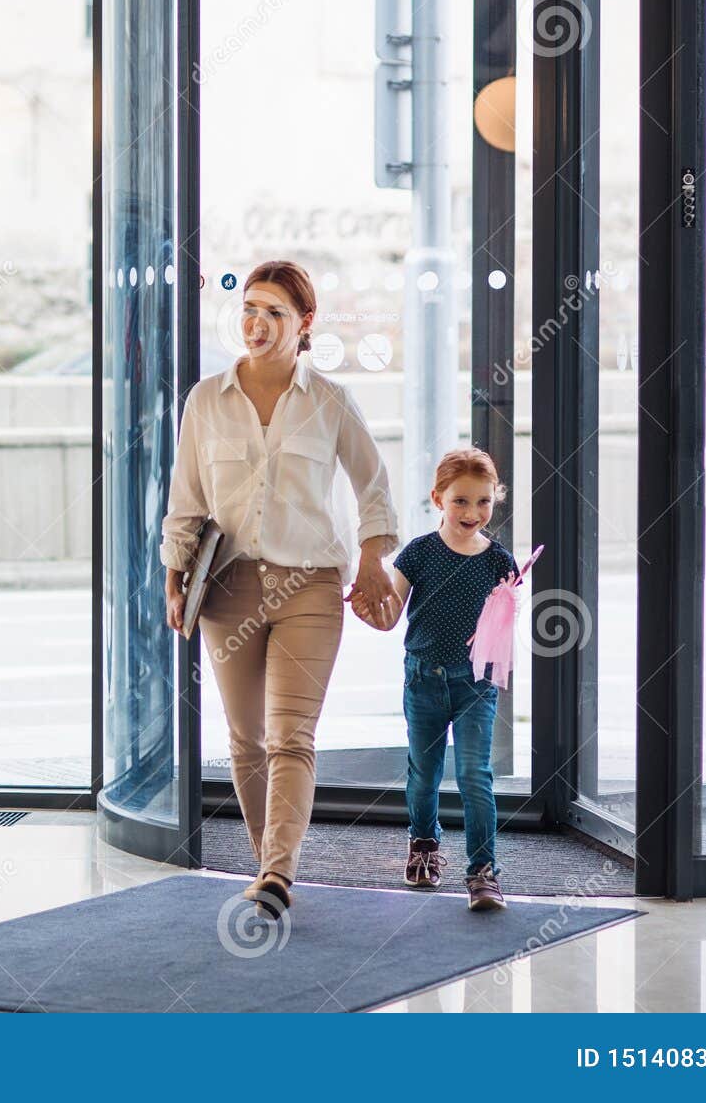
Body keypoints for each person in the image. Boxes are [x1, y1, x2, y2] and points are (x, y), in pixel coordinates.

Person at [162, 260, 399, 918]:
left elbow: (373, 487)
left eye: (274, 313)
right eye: (250, 309)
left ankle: (275, 873)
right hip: (228, 587)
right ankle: (270, 867)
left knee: (291, 735)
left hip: (311, 589)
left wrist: (374, 558)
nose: (257, 324)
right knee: (246, 739)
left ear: (304, 325)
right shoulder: (206, 400)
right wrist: (173, 576)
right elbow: (186, 497)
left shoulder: (328, 400)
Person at [351, 446, 515, 912]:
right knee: (424, 774)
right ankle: (423, 843)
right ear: (438, 498)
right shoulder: (419, 553)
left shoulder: (499, 561)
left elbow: (502, 631)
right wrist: (370, 613)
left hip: (475, 685)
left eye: (483, 501)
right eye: (461, 500)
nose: (472, 512)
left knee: (473, 774)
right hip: (423, 679)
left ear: (494, 500)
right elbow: (390, 617)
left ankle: (482, 871)